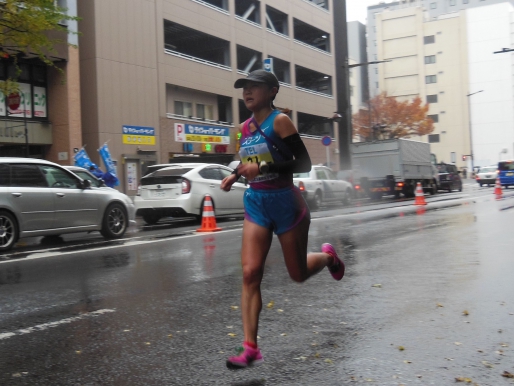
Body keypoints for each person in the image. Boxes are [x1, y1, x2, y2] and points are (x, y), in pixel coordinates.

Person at [220, 69, 345, 370]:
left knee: (298, 273)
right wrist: (235, 174)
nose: (247, 92)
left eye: (254, 87)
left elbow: (302, 162)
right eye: (244, 88)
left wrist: (260, 167)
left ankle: (328, 257)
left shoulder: (280, 121)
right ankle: (250, 347)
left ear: (272, 91)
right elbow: (249, 159)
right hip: (257, 204)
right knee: (250, 273)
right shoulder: (243, 128)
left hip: (287, 204)